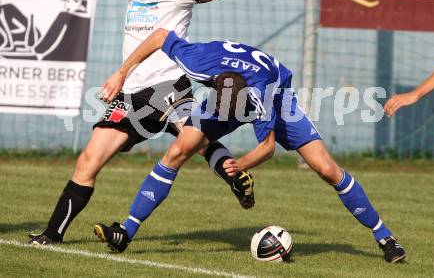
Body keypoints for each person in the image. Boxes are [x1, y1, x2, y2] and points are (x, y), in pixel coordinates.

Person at [94, 28, 406, 263]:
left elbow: (267, 147)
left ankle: (385, 237)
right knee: (178, 151)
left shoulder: (262, 96)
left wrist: (240, 165)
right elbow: (159, 36)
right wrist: (122, 73)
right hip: (227, 87)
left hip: (281, 101)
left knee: (327, 169)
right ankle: (126, 232)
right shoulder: (201, 61)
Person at [29, 0, 254, 246]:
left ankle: (235, 176)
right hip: (130, 96)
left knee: (197, 141)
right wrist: (122, 78)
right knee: (88, 161)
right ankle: (51, 235)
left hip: (168, 88)